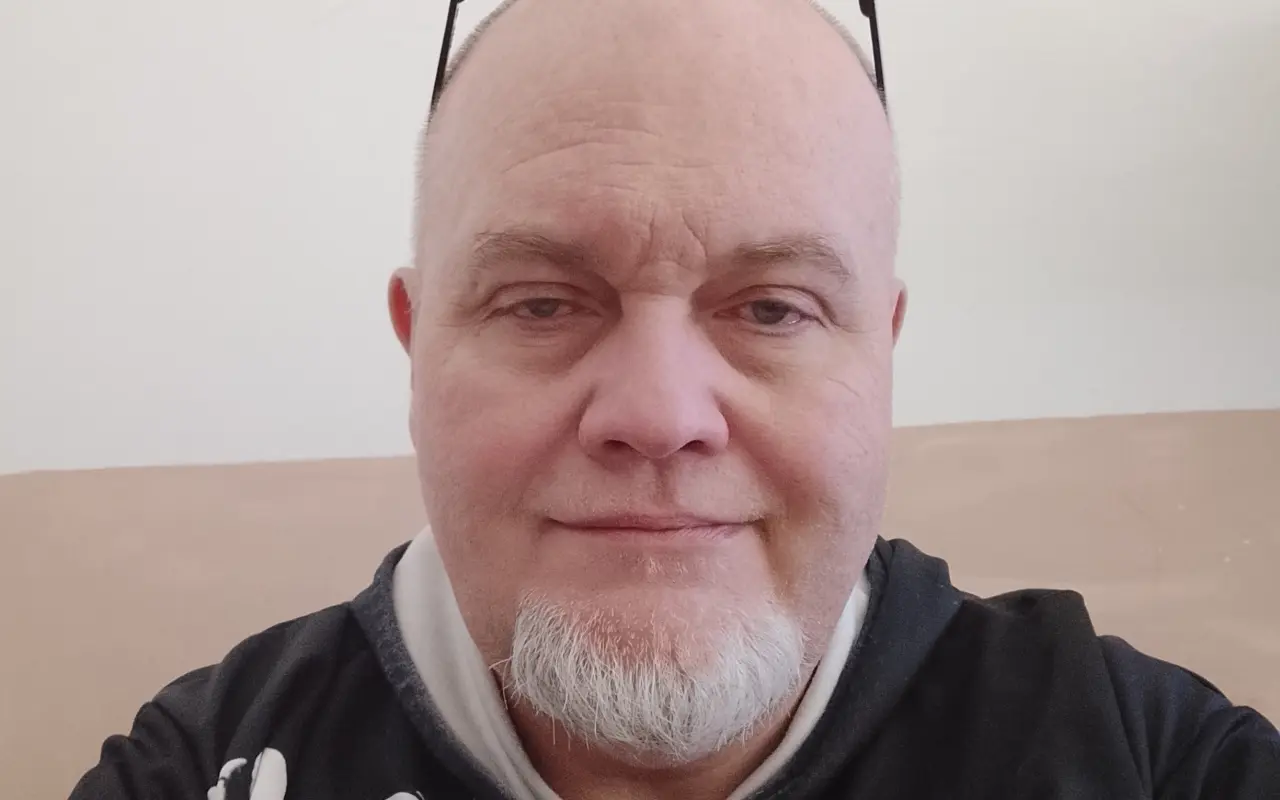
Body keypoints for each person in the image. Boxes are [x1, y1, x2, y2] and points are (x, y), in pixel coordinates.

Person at [72, 0, 1280, 797]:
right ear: (414, 341)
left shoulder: (1144, 757)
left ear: (881, 350)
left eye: (772, 308)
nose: (658, 414)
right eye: (540, 302)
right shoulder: (204, 764)